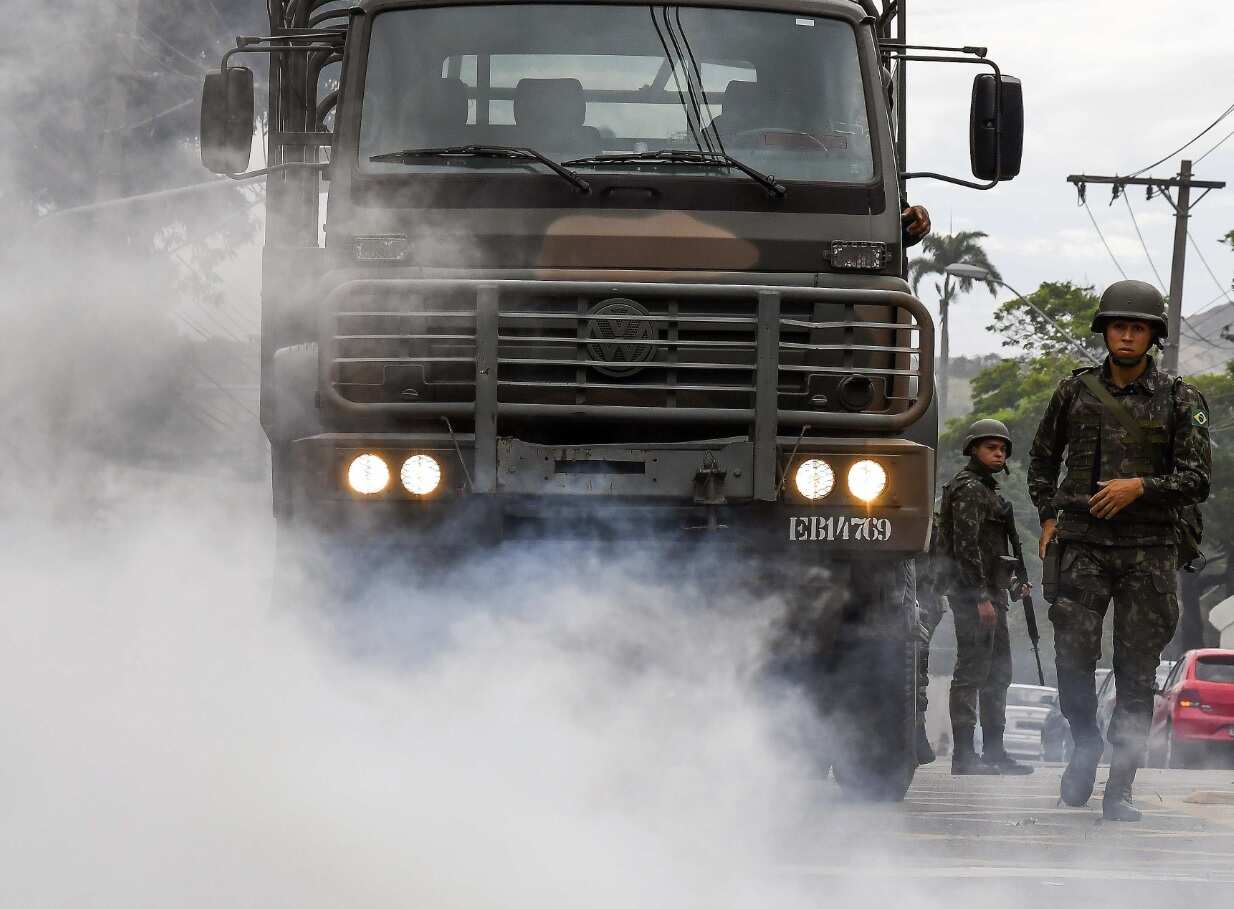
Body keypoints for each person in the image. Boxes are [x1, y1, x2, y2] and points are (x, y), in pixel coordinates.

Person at [1027, 279, 1211, 821]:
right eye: (1118, 326)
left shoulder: (1182, 398)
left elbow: (1198, 479)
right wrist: (1047, 514)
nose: (1126, 336)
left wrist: (1141, 487)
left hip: (1149, 549)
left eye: (1137, 328)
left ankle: (1121, 785)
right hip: (1081, 544)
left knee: (1137, 672)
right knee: (1072, 661)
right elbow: (1041, 461)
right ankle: (1084, 742)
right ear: (1105, 331)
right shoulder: (1074, 391)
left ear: (1152, 336)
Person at [944, 420, 1035, 776]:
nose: (998, 454)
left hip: (993, 593)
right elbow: (965, 546)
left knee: (998, 674)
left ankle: (994, 752)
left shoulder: (989, 491)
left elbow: (992, 549)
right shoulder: (968, 489)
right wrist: (979, 594)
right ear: (973, 450)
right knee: (971, 673)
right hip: (973, 595)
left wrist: (1013, 583)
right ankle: (964, 756)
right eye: (990, 448)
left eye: (1002, 449)